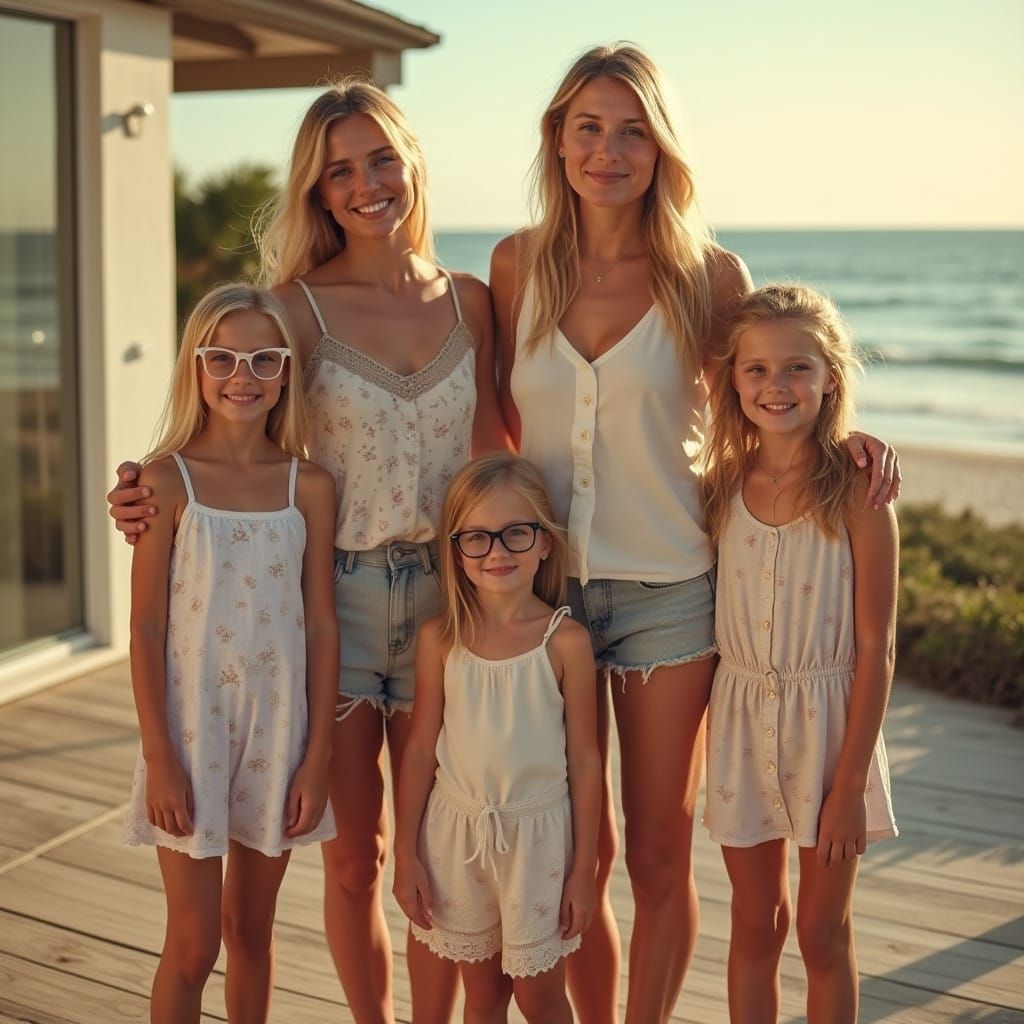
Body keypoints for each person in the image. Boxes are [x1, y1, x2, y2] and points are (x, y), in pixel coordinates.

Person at [490, 44, 900, 1024]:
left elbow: (771, 390)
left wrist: (857, 438)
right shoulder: (514, 266)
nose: (608, 149)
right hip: (545, 604)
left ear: (661, 146)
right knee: (568, 846)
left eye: (632, 129)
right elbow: (494, 430)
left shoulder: (706, 274)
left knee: (658, 849)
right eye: (587, 127)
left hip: (672, 593)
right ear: (557, 138)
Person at [109, 79, 508, 1024]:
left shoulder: (476, 302)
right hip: (322, 607)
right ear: (318, 193)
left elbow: (502, 441)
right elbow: (227, 408)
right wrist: (142, 493)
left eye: (380, 159)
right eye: (338, 172)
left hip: (450, 608)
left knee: (440, 847)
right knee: (352, 853)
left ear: (411, 161)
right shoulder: (292, 308)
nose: (365, 184)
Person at [123, 283, 338, 1023]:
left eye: (263, 359)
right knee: (194, 945)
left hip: (278, 737)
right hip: (191, 734)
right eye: (222, 357)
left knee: (252, 934)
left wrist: (318, 756)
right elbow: (146, 627)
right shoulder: (165, 481)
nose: (241, 375)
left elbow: (320, 623)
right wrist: (159, 755)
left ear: (286, 373)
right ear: (195, 366)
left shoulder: (308, 485)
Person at [700, 283, 898, 1021]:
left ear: (830, 378)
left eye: (796, 369)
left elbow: (877, 646)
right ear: (732, 380)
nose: (775, 386)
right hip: (743, 726)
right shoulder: (718, 488)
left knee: (821, 934)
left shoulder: (857, 490)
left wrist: (848, 788)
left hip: (832, 733)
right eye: (756, 369)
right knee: (756, 925)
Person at [393, 453, 601, 1024]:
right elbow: (417, 754)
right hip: (455, 837)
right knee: (482, 993)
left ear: (544, 542)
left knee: (539, 996)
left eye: (515, 533)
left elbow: (585, 762)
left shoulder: (566, 643)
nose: (497, 552)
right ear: (456, 552)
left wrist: (586, 868)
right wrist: (405, 854)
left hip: (538, 844)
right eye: (477, 538)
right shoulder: (441, 639)